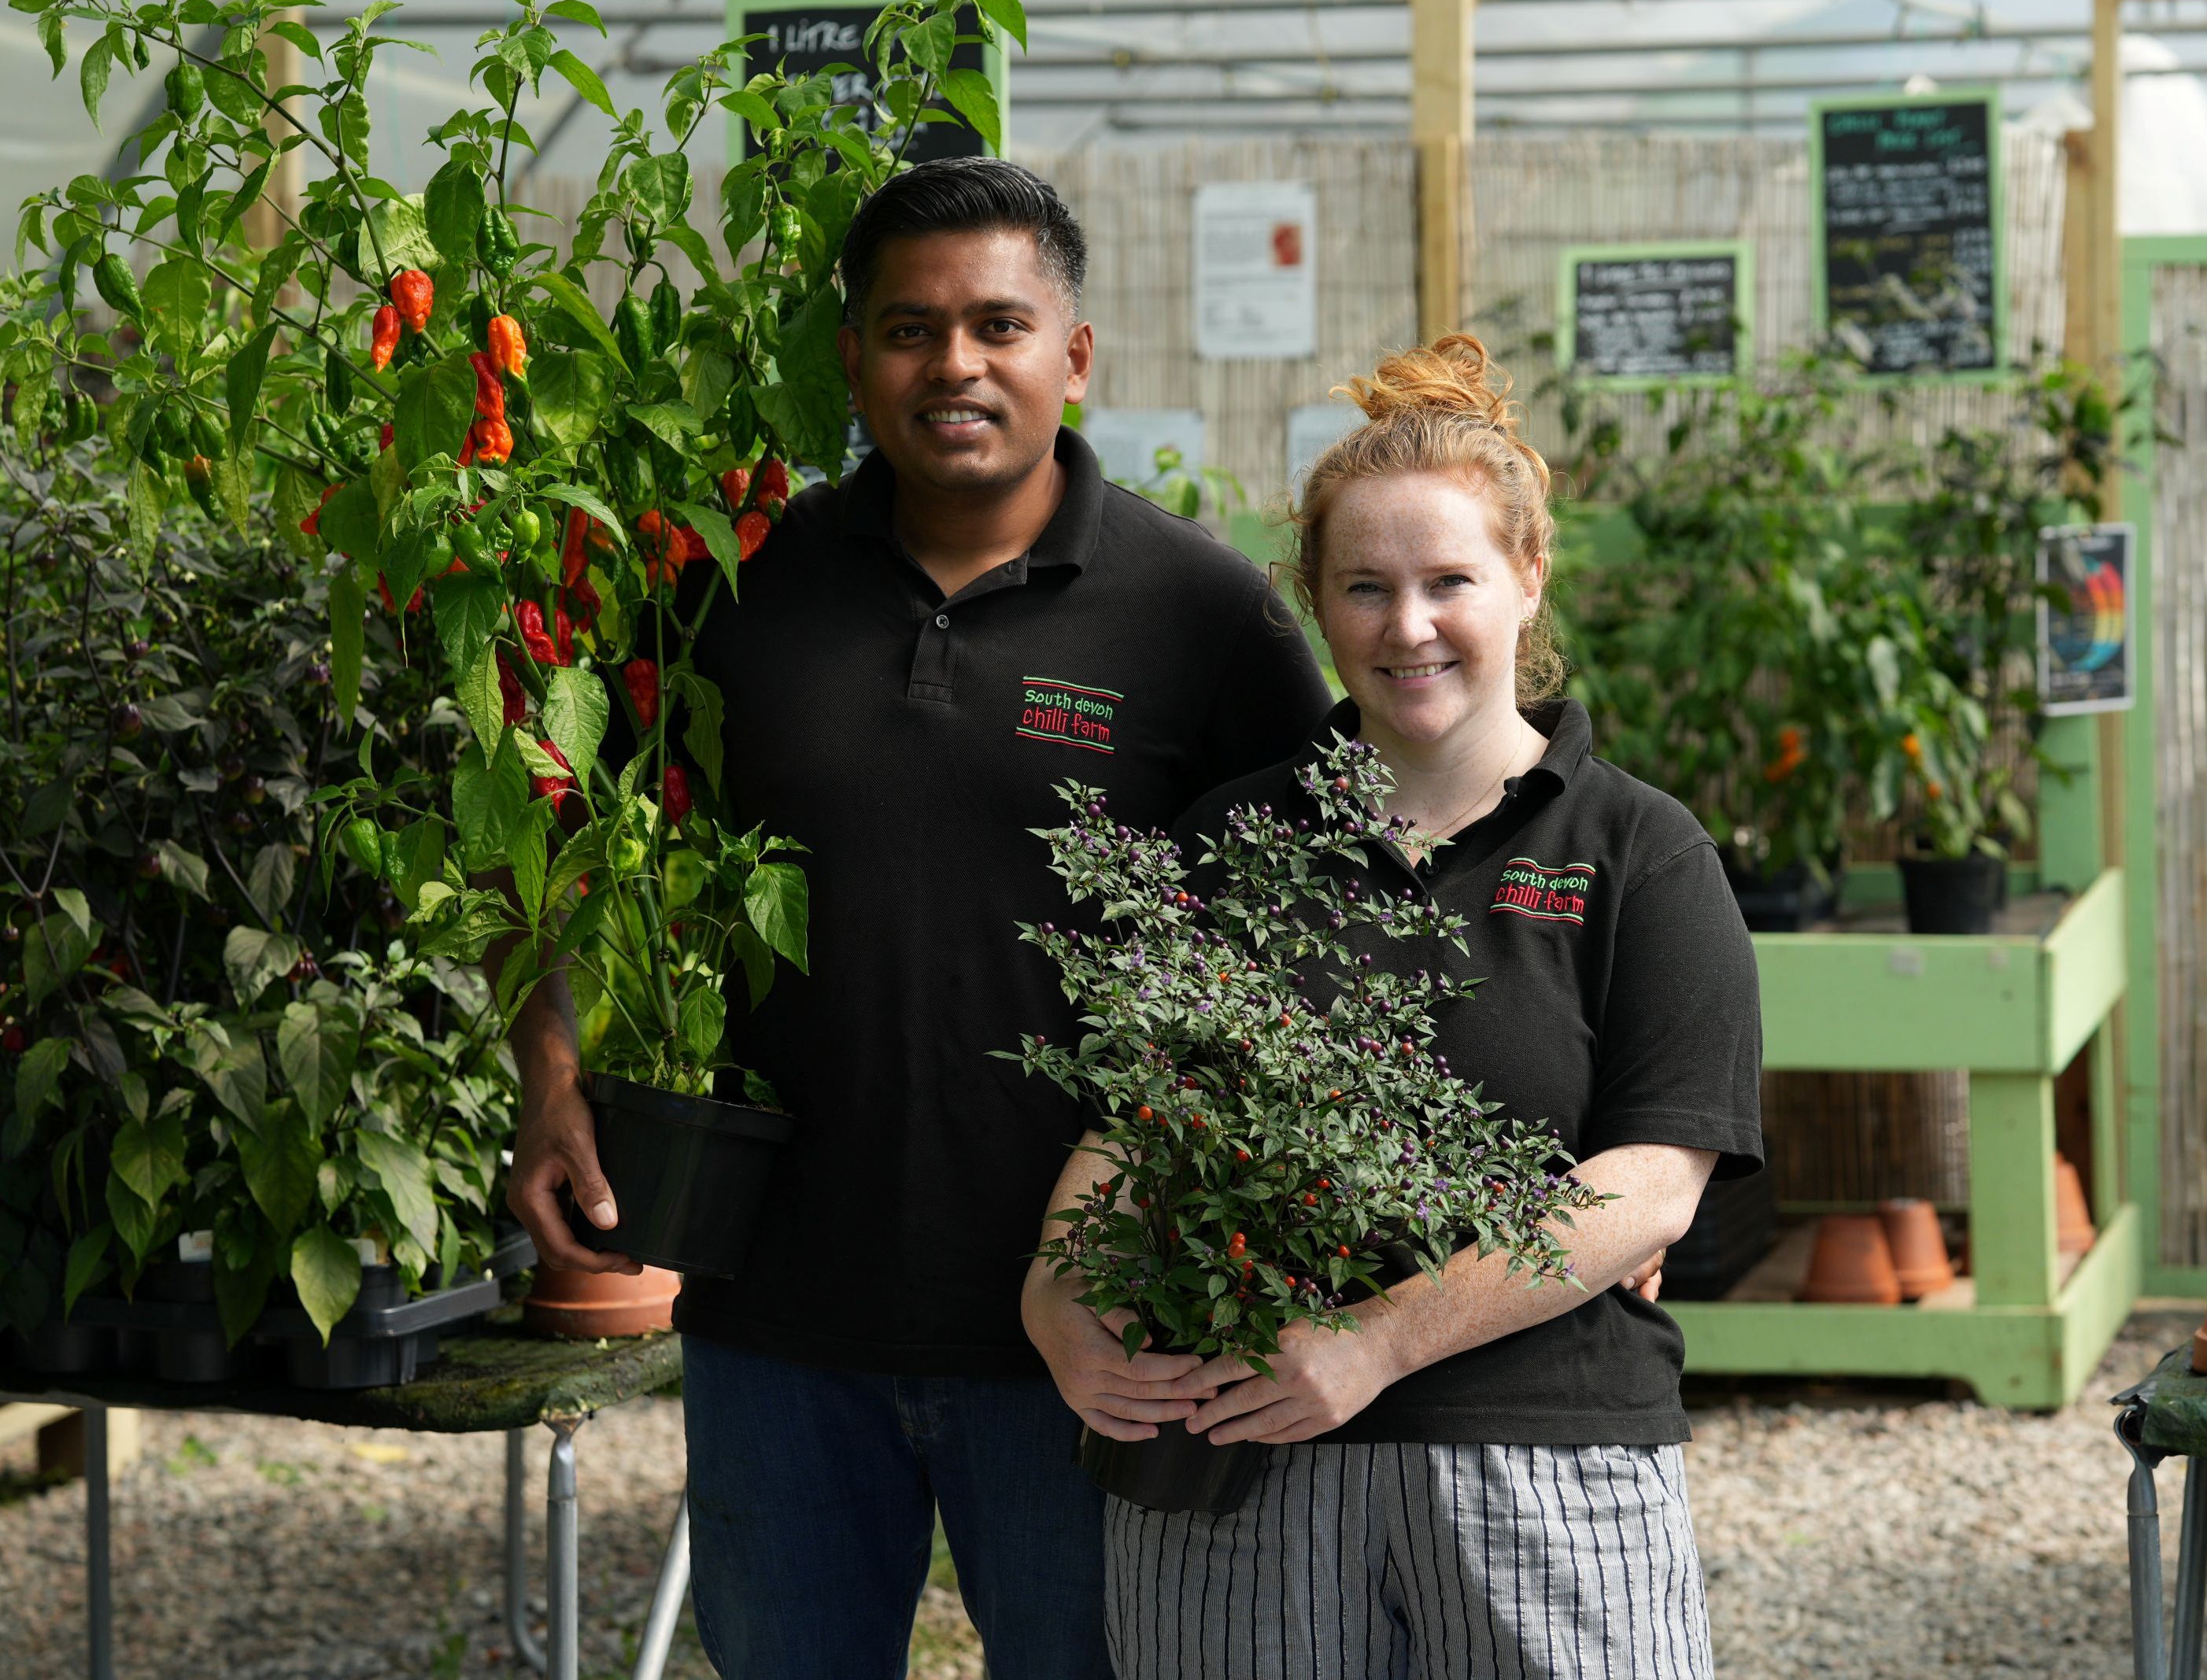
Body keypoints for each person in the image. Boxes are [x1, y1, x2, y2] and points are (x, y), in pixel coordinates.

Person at [502, 159, 1333, 1680]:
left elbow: (1330, 917)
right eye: (909, 327)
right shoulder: (731, 586)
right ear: (852, 357)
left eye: (998, 325)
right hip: (776, 1316)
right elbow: (567, 842)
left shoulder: (1203, 617)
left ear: (1073, 355)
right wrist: (550, 1073)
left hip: (1095, 1330)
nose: (954, 364)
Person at [1033, 334, 1764, 1678]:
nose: (1406, 624)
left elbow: (1653, 1183)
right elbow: (1137, 1127)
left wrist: (1373, 1341)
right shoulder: (1227, 844)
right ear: (1313, 601)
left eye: (1448, 581)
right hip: (1240, 1456)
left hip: (1548, 1456)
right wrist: (1058, 1287)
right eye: (1363, 587)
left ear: (1528, 575)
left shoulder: (1638, 853)